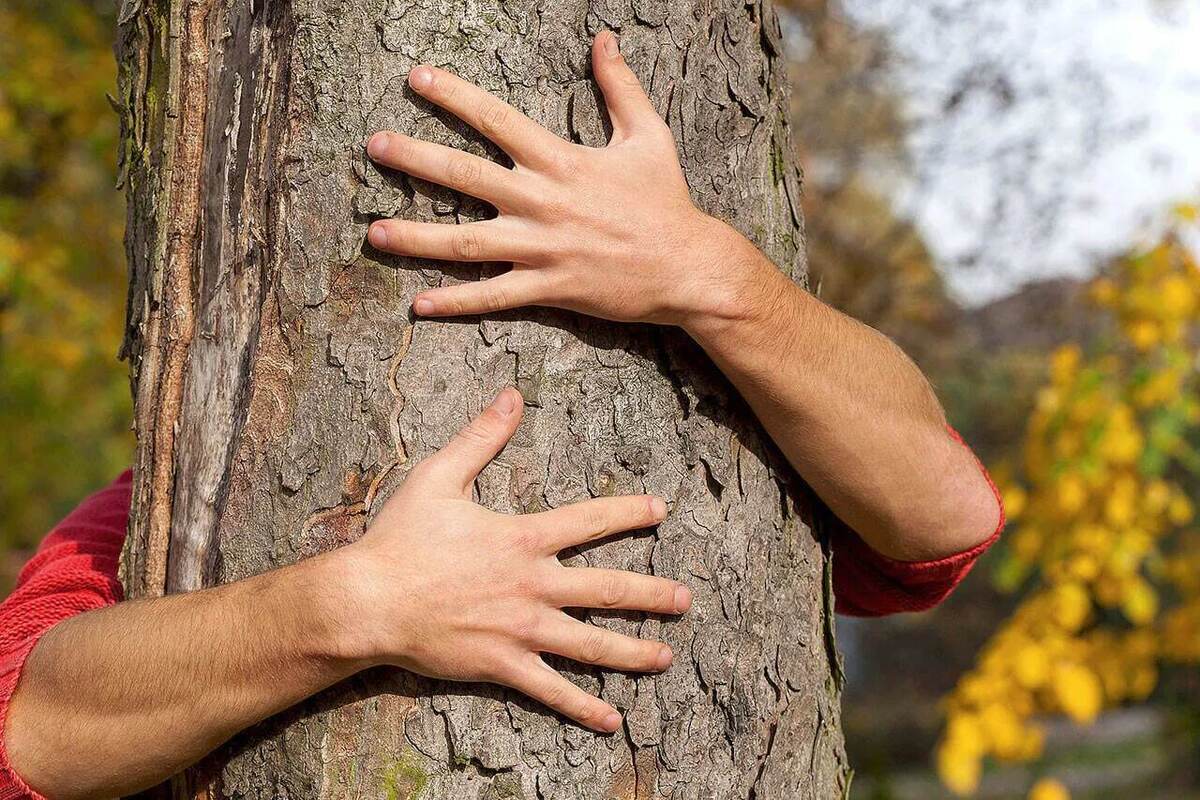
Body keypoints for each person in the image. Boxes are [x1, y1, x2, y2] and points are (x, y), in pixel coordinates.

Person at [0, 32, 1003, 800]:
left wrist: (707, 274)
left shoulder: (737, 395)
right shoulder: (190, 492)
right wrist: (359, 603)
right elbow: (23, 720)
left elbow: (939, 525)